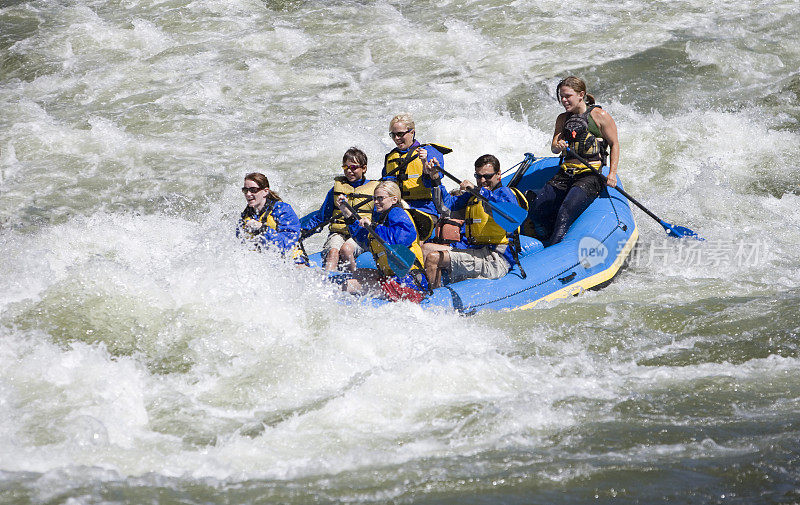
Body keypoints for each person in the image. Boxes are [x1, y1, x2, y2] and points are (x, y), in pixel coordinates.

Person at [526, 76, 620, 246]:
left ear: (581, 95)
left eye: (567, 96)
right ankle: (543, 240)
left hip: (590, 175)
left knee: (565, 211)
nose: (563, 100)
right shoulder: (562, 119)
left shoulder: (600, 116)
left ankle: (553, 248)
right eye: (561, 96)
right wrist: (559, 145)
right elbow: (554, 148)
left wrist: (612, 173)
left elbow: (614, 144)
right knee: (537, 209)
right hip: (566, 172)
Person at [423, 154, 523, 289]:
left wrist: (478, 191)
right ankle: (421, 288)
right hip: (476, 250)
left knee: (433, 258)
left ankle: (435, 299)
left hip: (496, 259)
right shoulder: (473, 196)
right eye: (478, 176)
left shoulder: (504, 193)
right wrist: (435, 179)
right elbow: (445, 207)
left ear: (498, 174)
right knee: (425, 249)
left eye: (487, 176)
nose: (482, 181)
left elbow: (510, 217)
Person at [335, 181, 430, 302]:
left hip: (409, 285)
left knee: (348, 285)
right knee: (358, 273)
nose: (376, 202)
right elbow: (364, 239)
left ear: (394, 199)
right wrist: (347, 213)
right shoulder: (384, 220)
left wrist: (374, 227)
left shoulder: (398, 213)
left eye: (380, 198)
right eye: (375, 198)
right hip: (395, 279)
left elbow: (400, 238)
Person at [382, 113, 452, 259]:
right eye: (393, 135)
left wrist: (428, 170)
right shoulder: (390, 157)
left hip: (424, 210)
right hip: (399, 209)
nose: (396, 139)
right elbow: (385, 186)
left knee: (408, 235)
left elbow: (434, 182)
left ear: (412, 132)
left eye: (400, 134)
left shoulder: (430, 151)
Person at [300, 147, 378, 272]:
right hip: (339, 233)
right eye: (346, 167)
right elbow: (322, 216)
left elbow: (379, 217)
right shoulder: (336, 189)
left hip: (361, 234)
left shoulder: (375, 189)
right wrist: (302, 232)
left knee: (346, 249)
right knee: (333, 252)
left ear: (364, 168)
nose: (349, 171)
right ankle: (327, 282)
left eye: (353, 167)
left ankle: (352, 280)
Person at [237, 172, 304, 262]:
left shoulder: (282, 210)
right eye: (245, 190)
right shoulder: (246, 215)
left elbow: (288, 244)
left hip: (293, 261)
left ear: (265, 191)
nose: (248, 194)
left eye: (253, 190)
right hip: (265, 263)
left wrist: (262, 229)